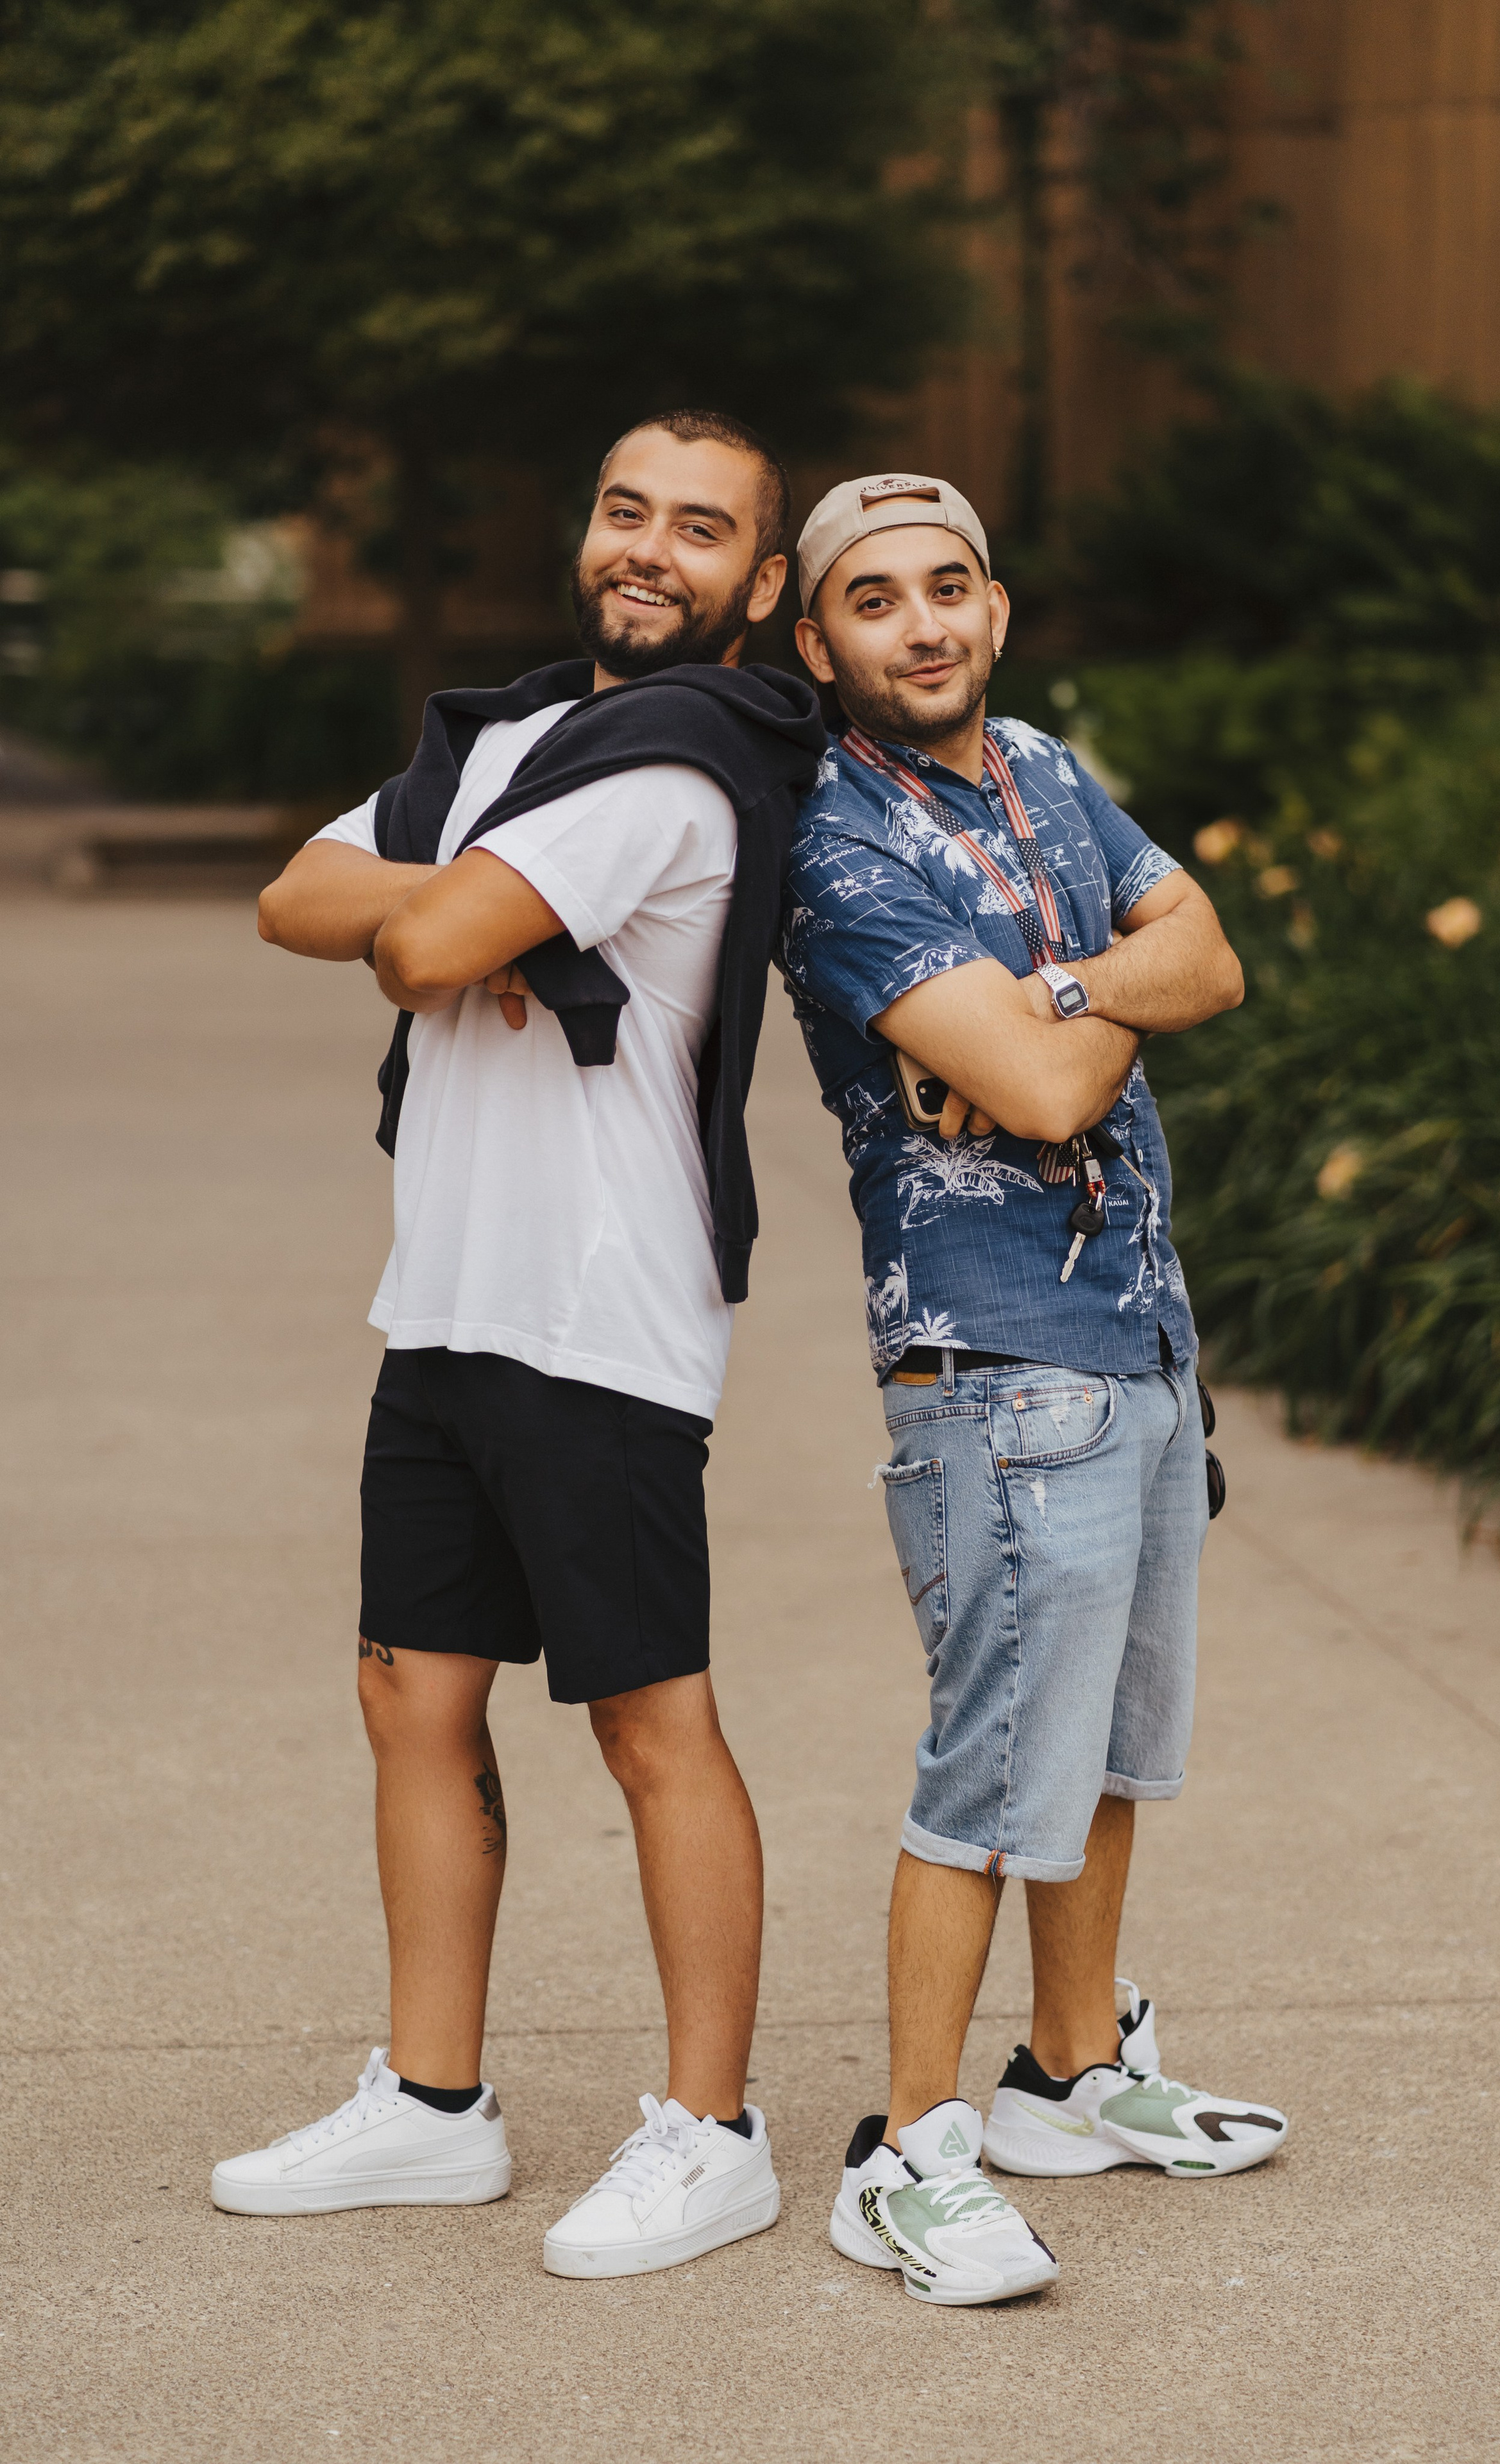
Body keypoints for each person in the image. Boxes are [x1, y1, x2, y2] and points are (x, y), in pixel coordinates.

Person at [210, 411, 826, 2281]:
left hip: (600, 1313)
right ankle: (431, 2104)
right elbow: (291, 899)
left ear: (761, 582)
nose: (652, 547)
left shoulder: (691, 759)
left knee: (650, 1720)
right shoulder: (506, 734)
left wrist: (459, 913)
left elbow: (397, 942)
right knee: (415, 1693)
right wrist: (454, 908)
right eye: (628, 509)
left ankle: (713, 2130)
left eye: (702, 528)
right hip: (452, 1295)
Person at [781, 472, 1289, 2307]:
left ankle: (1067, 2076)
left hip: (1141, 1338)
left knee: (1114, 1755)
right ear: (817, 638)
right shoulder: (835, 846)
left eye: (949, 588)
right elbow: (1064, 1093)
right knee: (996, 1775)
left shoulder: (1050, 770)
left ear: (997, 609)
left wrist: (1053, 982)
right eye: (874, 600)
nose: (921, 624)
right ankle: (908, 2150)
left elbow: (1210, 953)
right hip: (995, 1367)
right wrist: (1093, 1011)